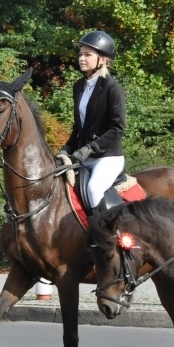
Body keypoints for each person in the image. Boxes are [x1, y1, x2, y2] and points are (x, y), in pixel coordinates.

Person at [59, 30, 126, 215]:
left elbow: (117, 129)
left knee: (94, 189)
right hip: (83, 157)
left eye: (87, 55)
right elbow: (79, 127)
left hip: (107, 158)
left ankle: (102, 238)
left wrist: (90, 148)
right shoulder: (78, 87)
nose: (81, 58)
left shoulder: (112, 88)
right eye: (80, 54)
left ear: (103, 59)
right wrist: (66, 148)